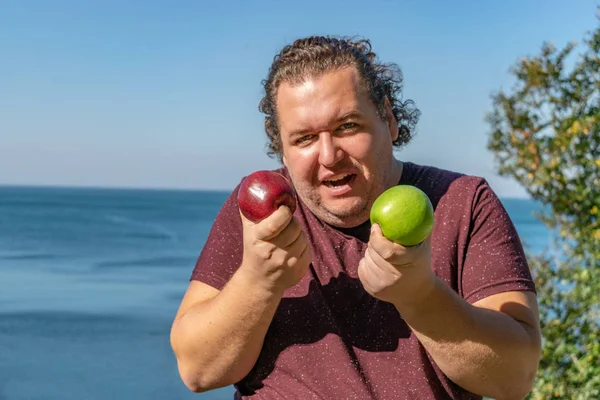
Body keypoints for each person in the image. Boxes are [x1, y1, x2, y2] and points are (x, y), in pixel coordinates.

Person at [170, 36, 542, 399]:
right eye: (304, 138)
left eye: (347, 126)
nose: (329, 156)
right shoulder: (259, 213)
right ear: (281, 150)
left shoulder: (462, 202)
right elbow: (198, 371)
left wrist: (419, 295)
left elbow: (515, 378)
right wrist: (257, 281)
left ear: (389, 120)